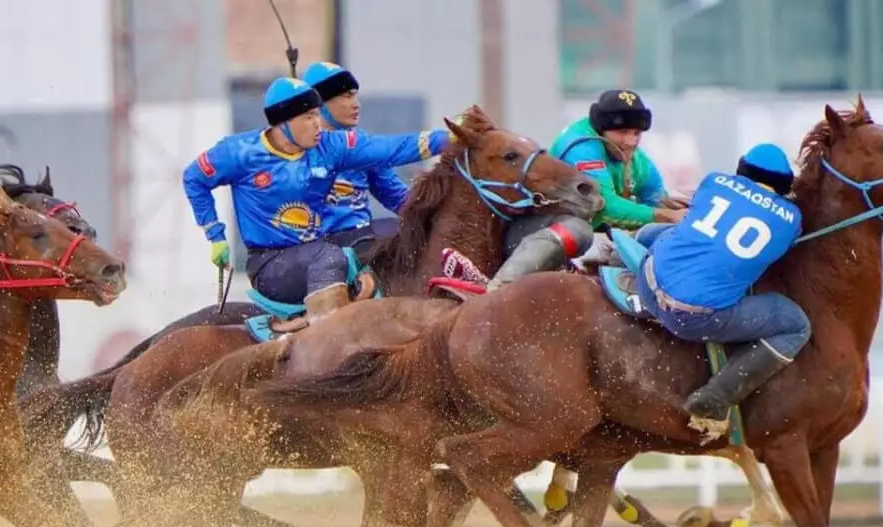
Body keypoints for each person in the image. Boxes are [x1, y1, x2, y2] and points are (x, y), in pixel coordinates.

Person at [183, 76, 448, 323]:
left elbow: (392, 148)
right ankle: (330, 347)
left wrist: (449, 138)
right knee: (330, 258)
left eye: (317, 114)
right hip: (270, 264)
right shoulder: (238, 152)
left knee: (402, 234)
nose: (318, 123)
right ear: (284, 122)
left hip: (317, 249)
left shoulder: (330, 147)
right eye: (309, 116)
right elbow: (194, 178)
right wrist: (215, 235)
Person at [635, 143, 810, 425]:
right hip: (692, 319)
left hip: (647, 280)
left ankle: (613, 250)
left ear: (742, 170)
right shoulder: (792, 220)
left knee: (672, 233)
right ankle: (715, 398)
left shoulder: (715, 180)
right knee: (796, 324)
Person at [486, 89, 687, 291]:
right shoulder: (581, 147)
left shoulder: (637, 159)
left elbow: (657, 199)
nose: (631, 141)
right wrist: (668, 216)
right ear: (602, 129)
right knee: (579, 230)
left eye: (636, 133)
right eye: (623, 132)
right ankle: (500, 286)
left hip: (590, 238)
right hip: (532, 233)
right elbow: (606, 207)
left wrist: (681, 214)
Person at [300, 61, 410, 297]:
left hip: (361, 237)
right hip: (320, 247)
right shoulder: (297, 149)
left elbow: (398, 197)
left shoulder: (361, 145)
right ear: (321, 104)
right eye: (347, 97)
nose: (356, 105)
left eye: (356, 96)